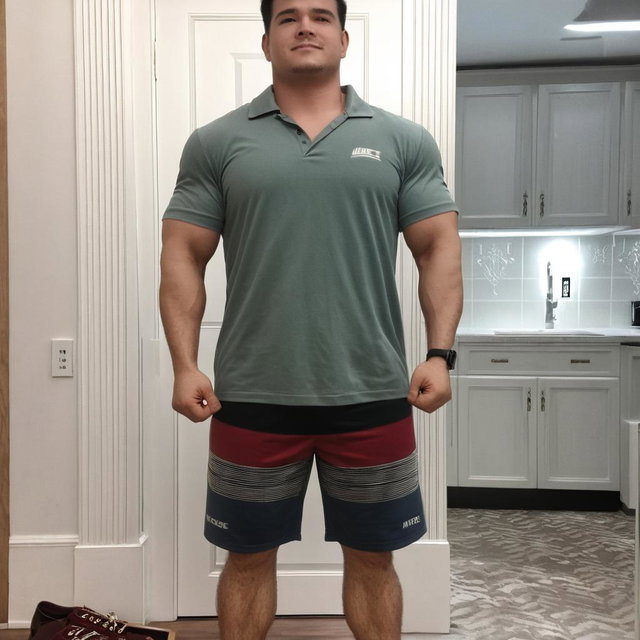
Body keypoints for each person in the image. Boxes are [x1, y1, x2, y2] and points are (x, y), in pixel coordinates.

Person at [159, 0, 462, 638]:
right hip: (252, 393)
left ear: (344, 39)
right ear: (265, 40)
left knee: (374, 557)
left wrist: (440, 354)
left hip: (372, 390)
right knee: (247, 557)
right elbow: (184, 253)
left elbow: (437, 247)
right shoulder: (216, 142)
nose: (304, 26)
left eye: (321, 16)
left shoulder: (402, 140)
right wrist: (184, 364)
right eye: (287, 16)